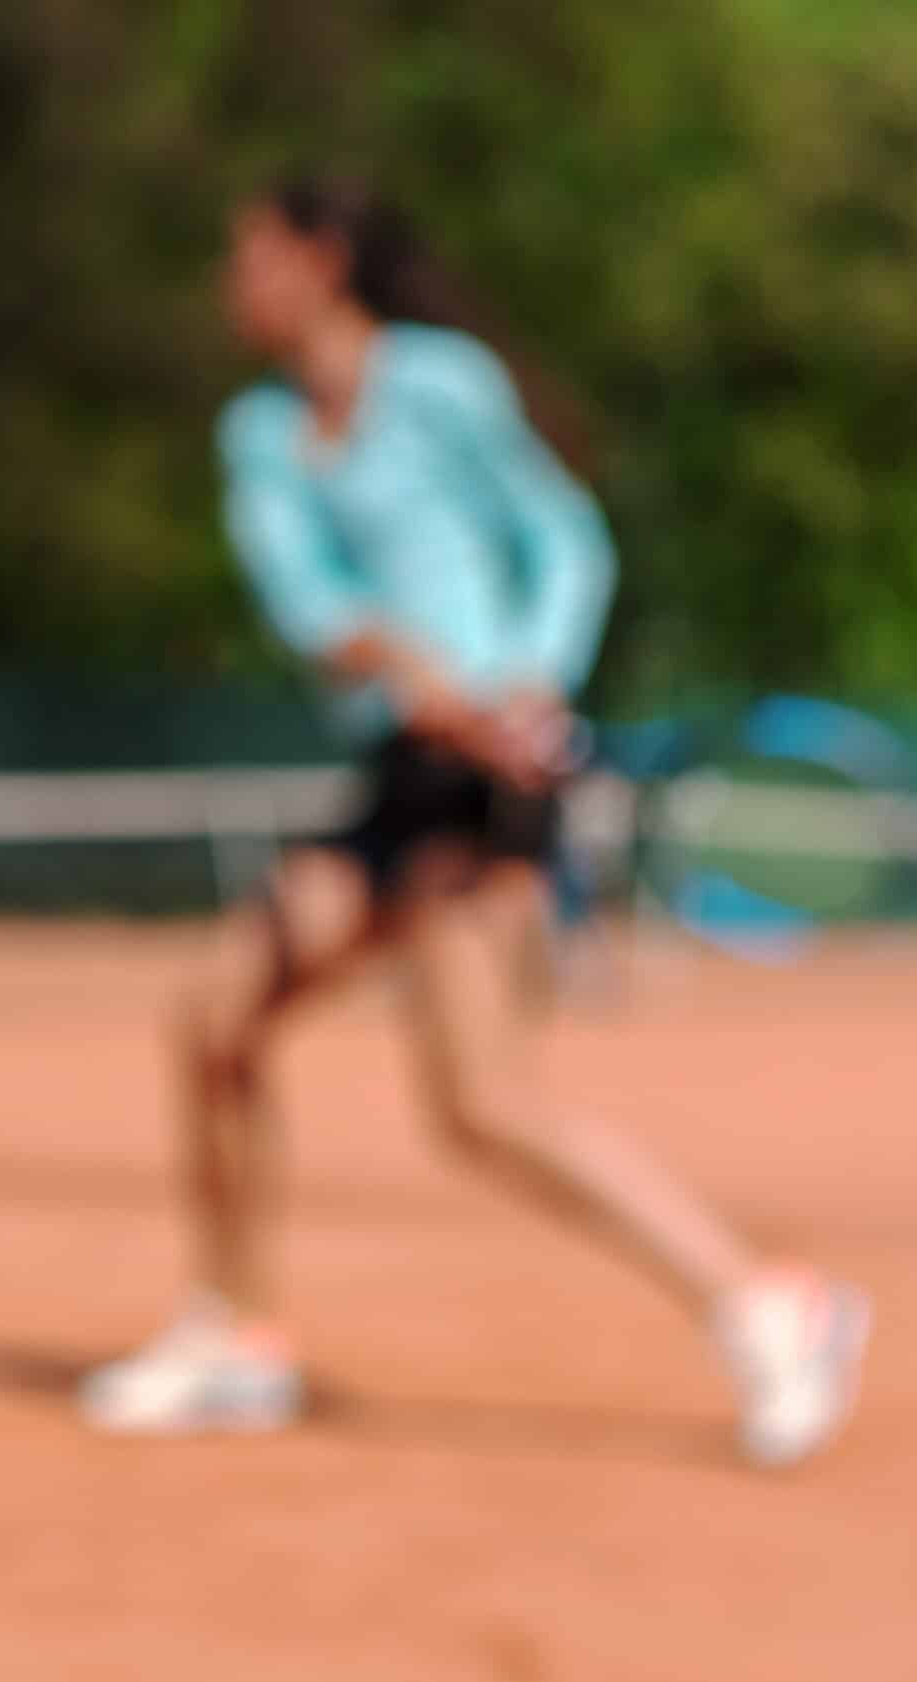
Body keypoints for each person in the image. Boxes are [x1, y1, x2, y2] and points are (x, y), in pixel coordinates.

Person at [78, 178, 869, 1467]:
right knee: (216, 1022)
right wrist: (396, 664)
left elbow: (566, 540)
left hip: (488, 794)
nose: (232, 285)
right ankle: (238, 1334)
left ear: (321, 261)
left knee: (485, 1103)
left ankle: (773, 1304)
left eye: (249, 255)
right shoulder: (260, 434)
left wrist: (529, 678)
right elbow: (305, 601)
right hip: (402, 774)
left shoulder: (442, 386)